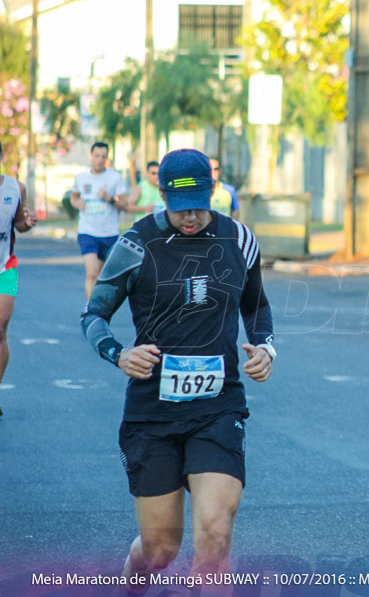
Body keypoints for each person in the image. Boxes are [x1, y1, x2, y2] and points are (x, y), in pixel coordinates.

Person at [81, 148, 275, 587]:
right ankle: (134, 578)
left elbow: (257, 307)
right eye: (179, 207)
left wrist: (265, 348)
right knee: (161, 550)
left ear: (212, 193)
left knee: (214, 532)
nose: (190, 217)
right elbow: (93, 315)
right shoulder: (135, 244)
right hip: (152, 412)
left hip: (218, 406)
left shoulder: (239, 239)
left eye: (199, 206)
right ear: (162, 195)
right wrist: (118, 353)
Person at [0, 144, 38, 416]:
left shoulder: (16, 188)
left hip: (5, 267)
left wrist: (28, 221)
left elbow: (19, 224)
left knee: (0, 330)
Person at [70, 141, 128, 298]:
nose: (100, 159)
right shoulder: (81, 178)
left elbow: (124, 204)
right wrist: (77, 203)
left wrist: (109, 198)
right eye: (97, 156)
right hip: (87, 232)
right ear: (91, 156)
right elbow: (73, 196)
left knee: (101, 277)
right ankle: (91, 312)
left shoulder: (115, 177)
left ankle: (99, 307)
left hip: (109, 233)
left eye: (103, 156)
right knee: (92, 272)